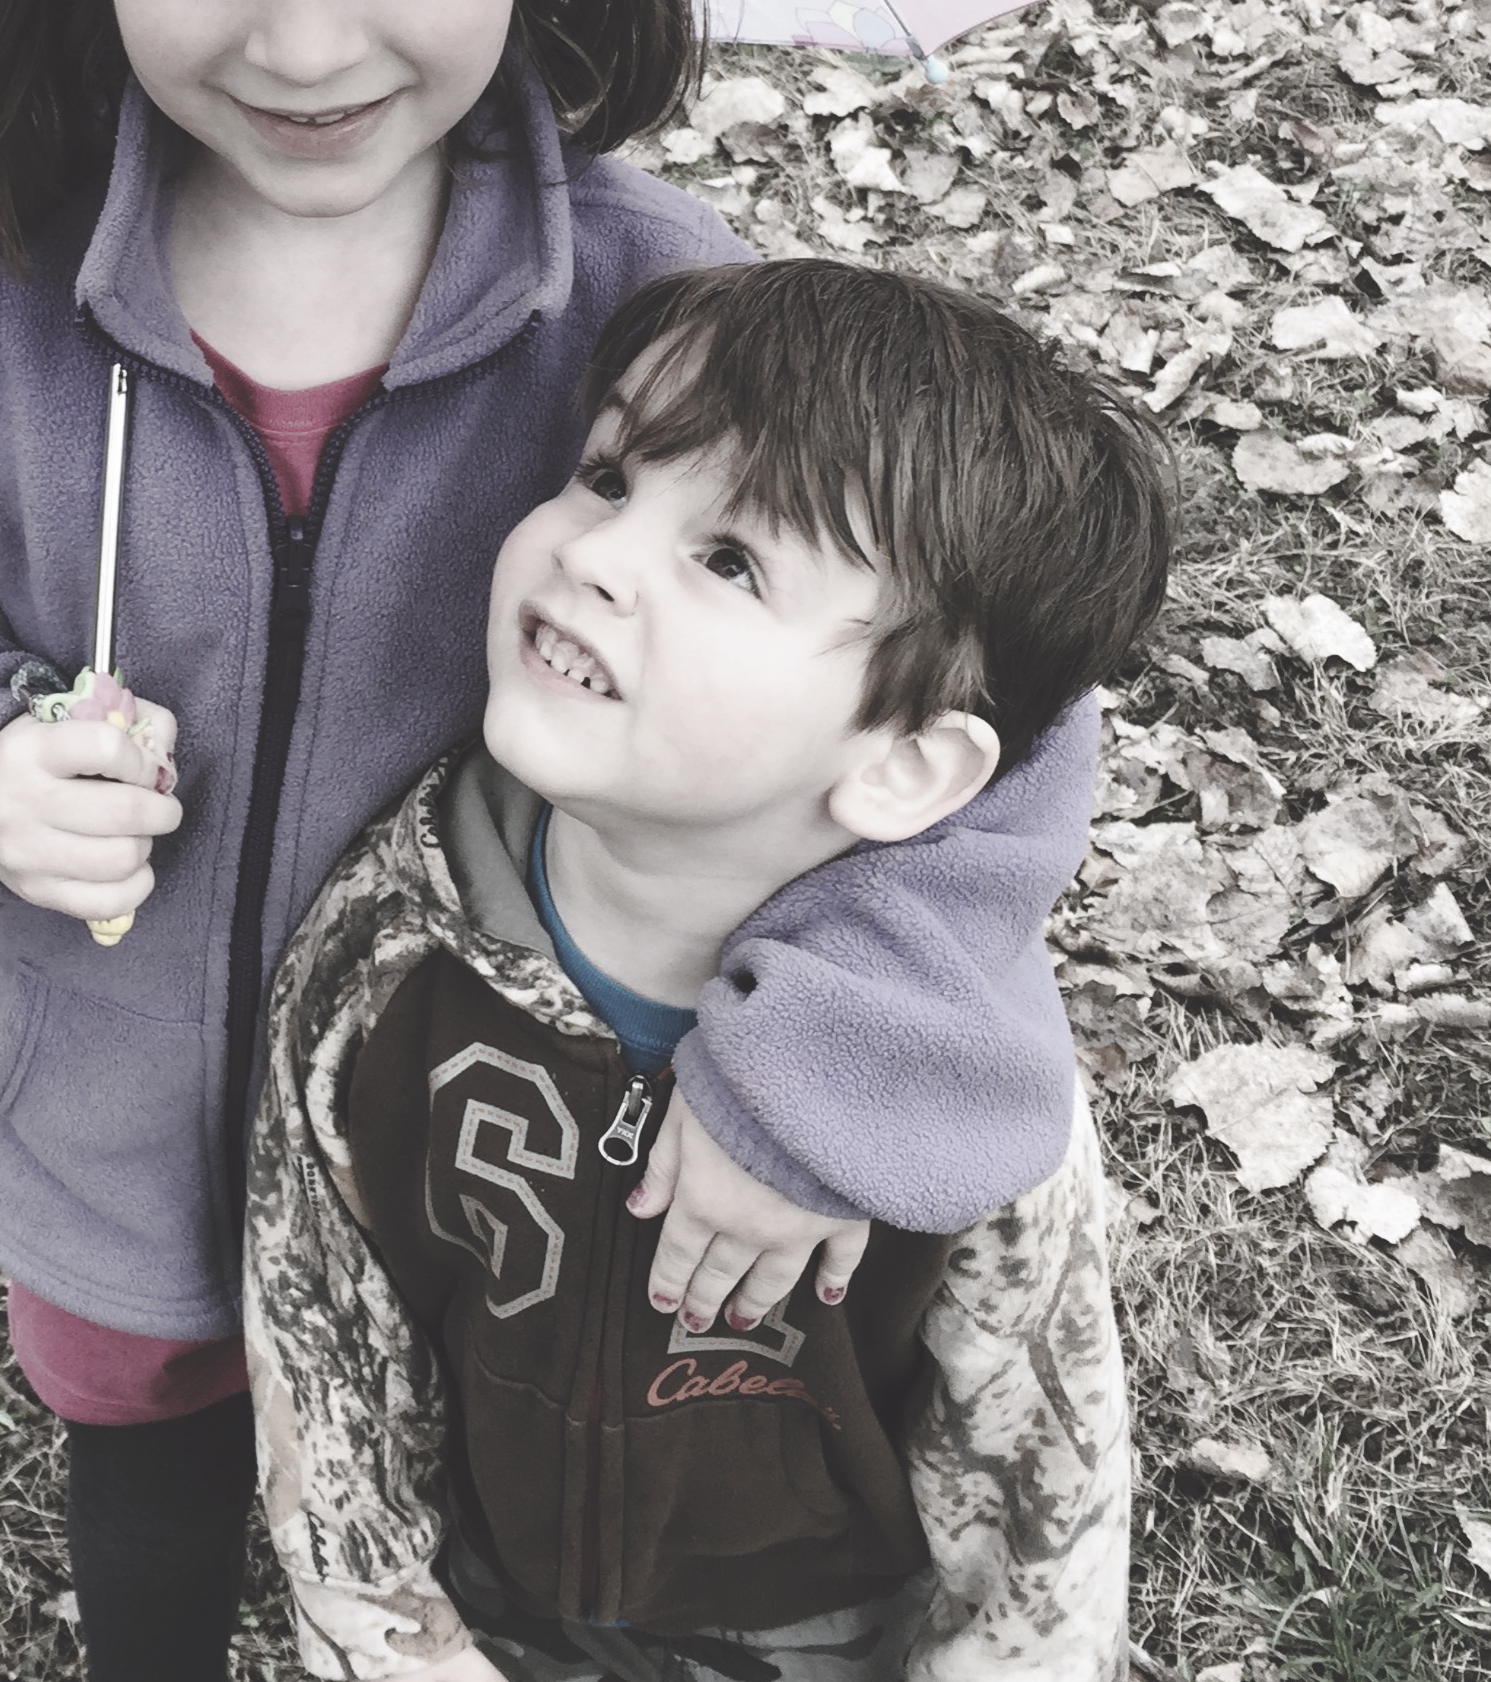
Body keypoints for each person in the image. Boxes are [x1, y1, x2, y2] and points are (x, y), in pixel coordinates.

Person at [0, 0, 1099, 1682]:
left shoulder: (660, 315)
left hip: (505, 1192)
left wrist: (830, 1064)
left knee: (476, 1538)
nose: (304, 40)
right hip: (112, 1150)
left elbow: (994, 709)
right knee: (151, 1467)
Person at [244, 259, 1171, 1682]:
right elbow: (320, 1372)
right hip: (490, 1612)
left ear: (904, 767)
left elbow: (1038, 1486)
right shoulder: (383, 961)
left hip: (819, 1639)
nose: (594, 555)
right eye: (607, 476)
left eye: (730, 560)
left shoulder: (955, 1099)